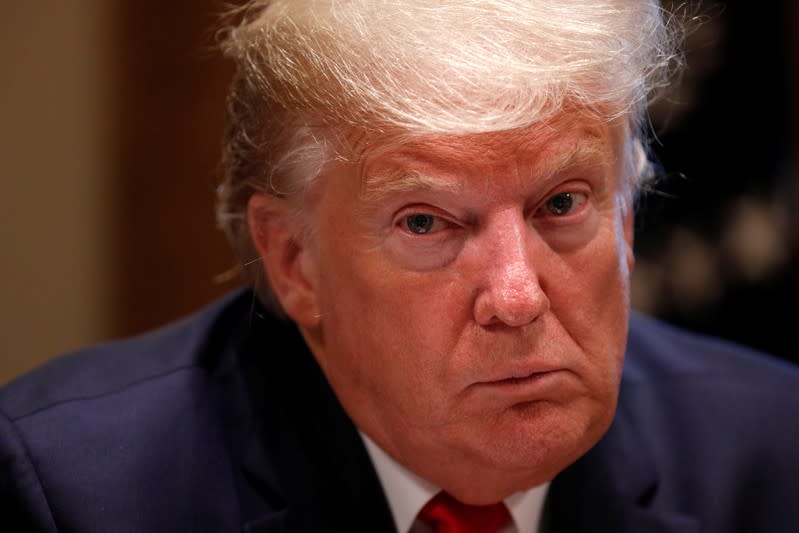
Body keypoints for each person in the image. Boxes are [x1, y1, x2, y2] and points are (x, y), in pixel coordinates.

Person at [2, 1, 798, 531]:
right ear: (294, 260)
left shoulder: (774, 451)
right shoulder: (71, 493)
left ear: (626, 218)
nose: (516, 297)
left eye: (560, 205)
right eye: (427, 221)